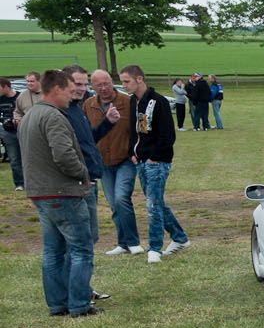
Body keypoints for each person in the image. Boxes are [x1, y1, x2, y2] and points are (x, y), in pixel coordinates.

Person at [19, 70, 97, 317]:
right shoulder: (53, 117)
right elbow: (63, 155)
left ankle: (58, 303)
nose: (72, 96)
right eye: (69, 91)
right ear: (56, 89)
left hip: (40, 192)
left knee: (53, 251)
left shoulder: (31, 115)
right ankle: (79, 304)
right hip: (62, 192)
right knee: (81, 249)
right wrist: (83, 173)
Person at [121, 64, 188, 264]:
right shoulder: (133, 101)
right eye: (122, 82)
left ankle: (155, 248)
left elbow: (168, 135)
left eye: (127, 81)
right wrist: (132, 152)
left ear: (139, 79)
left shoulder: (159, 101)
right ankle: (180, 238)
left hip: (157, 162)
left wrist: (154, 157)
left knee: (153, 205)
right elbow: (134, 130)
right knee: (156, 202)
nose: (124, 85)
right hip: (140, 160)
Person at [61, 67, 109, 300]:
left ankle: (81, 289)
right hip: (80, 183)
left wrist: (107, 124)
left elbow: (88, 141)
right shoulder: (62, 113)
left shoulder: (77, 109)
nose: (82, 88)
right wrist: (83, 175)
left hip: (90, 180)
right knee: (80, 242)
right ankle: (78, 292)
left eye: (84, 84)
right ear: (65, 84)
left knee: (87, 239)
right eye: (77, 84)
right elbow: (66, 152)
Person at [85, 69, 141, 255]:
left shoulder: (128, 102)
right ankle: (122, 243)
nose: (104, 88)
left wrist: (134, 151)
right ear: (93, 86)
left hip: (125, 159)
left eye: (106, 84)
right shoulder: (88, 105)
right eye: (99, 85)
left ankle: (133, 242)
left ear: (112, 82)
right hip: (103, 163)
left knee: (121, 198)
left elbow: (137, 129)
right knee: (113, 204)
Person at [0, 78, 21, 191]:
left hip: (21, 130)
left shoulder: (20, 97)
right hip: (7, 132)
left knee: (26, 157)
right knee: (14, 158)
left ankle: (30, 181)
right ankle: (19, 183)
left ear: (5, 87)